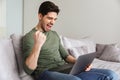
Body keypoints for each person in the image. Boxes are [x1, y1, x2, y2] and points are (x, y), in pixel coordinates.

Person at [22, 1, 118, 80]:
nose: (53, 22)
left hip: (64, 68)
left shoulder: (54, 34)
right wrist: (37, 45)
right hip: (45, 73)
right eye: (50, 18)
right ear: (40, 16)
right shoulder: (30, 37)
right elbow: (29, 69)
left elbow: (66, 56)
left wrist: (80, 63)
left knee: (111, 74)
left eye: (55, 19)